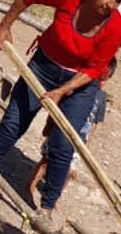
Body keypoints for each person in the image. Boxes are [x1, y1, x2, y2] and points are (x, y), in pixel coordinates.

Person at [0, 0, 121, 222]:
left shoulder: (116, 28)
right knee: (13, 124)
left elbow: (95, 68)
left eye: (118, 1)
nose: (111, 5)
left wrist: (63, 91)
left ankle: (47, 207)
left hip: (80, 85)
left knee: (63, 144)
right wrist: (5, 25)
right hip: (44, 66)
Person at [26, 61, 115, 208]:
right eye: (100, 77)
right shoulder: (77, 87)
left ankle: (53, 197)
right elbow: (58, 107)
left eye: (105, 79)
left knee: (69, 171)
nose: (101, 81)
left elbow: (95, 123)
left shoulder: (101, 98)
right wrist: (49, 126)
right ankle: (30, 186)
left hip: (80, 140)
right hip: (61, 132)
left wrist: (87, 142)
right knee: (46, 161)